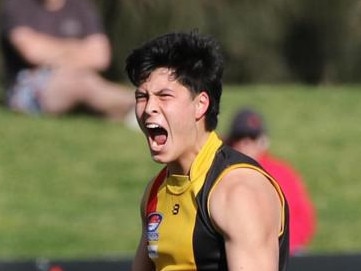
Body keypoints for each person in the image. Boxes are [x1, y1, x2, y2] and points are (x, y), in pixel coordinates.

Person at [125, 31, 289, 271]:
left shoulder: (238, 190)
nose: (149, 108)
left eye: (164, 96)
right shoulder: (155, 191)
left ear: (201, 104)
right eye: (142, 96)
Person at [0, 0, 134, 122]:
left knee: (83, 81)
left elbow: (100, 57)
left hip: (82, 78)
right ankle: (134, 102)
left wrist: (51, 51)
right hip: (28, 88)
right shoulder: (17, 5)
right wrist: (78, 48)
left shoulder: (80, 6)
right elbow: (32, 53)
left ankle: (132, 108)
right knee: (81, 83)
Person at [225, 107, 316, 255]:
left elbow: (303, 218)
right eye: (240, 138)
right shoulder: (221, 171)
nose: (246, 144)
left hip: (281, 249)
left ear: (262, 141)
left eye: (252, 138)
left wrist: (280, 246)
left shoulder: (282, 174)